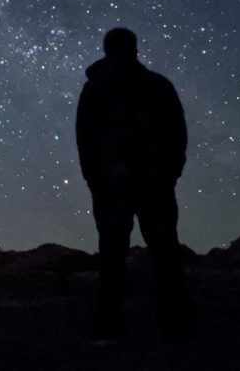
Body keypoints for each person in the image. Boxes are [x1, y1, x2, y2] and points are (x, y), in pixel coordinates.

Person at [76, 27, 190, 342]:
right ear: (134, 48)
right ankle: (176, 327)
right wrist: (169, 174)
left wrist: (96, 180)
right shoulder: (156, 86)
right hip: (149, 185)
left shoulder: (96, 90)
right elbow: (177, 135)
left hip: (121, 186)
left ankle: (111, 329)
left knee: (113, 258)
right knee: (164, 254)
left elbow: (85, 141)